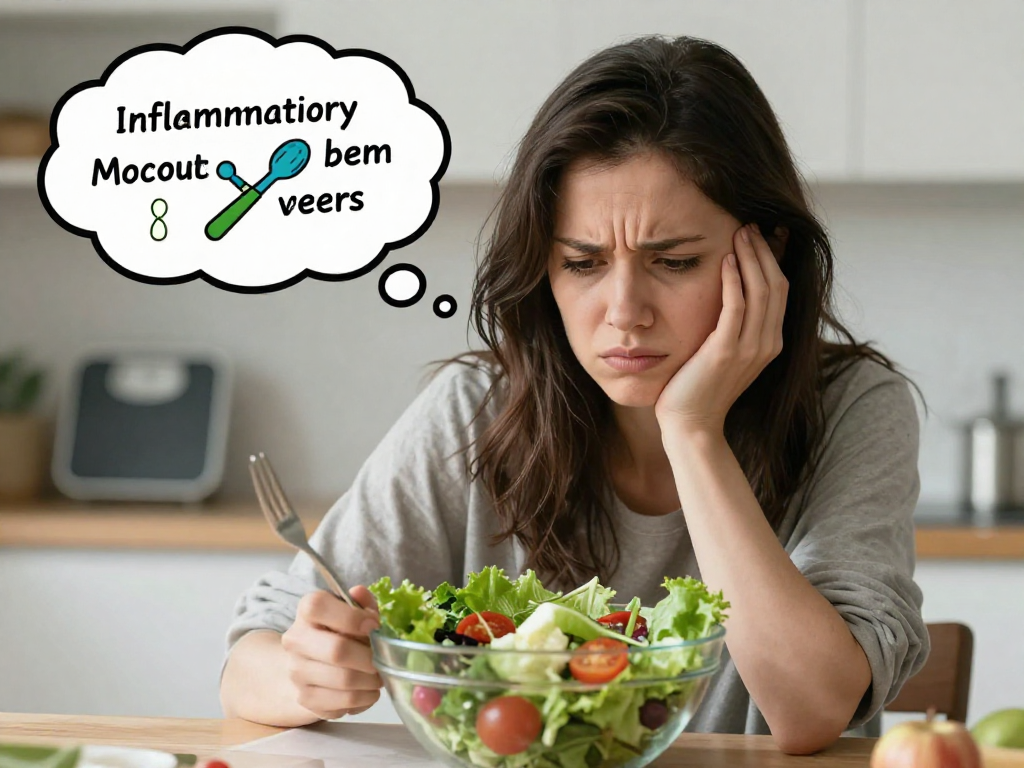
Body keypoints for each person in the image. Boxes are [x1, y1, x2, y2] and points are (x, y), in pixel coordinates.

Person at [219, 35, 929, 754]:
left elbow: (813, 710)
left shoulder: (855, 408)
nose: (624, 311)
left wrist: (692, 431)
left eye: (674, 261)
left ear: (766, 253)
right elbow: (252, 659)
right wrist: (304, 671)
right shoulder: (477, 408)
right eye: (583, 263)